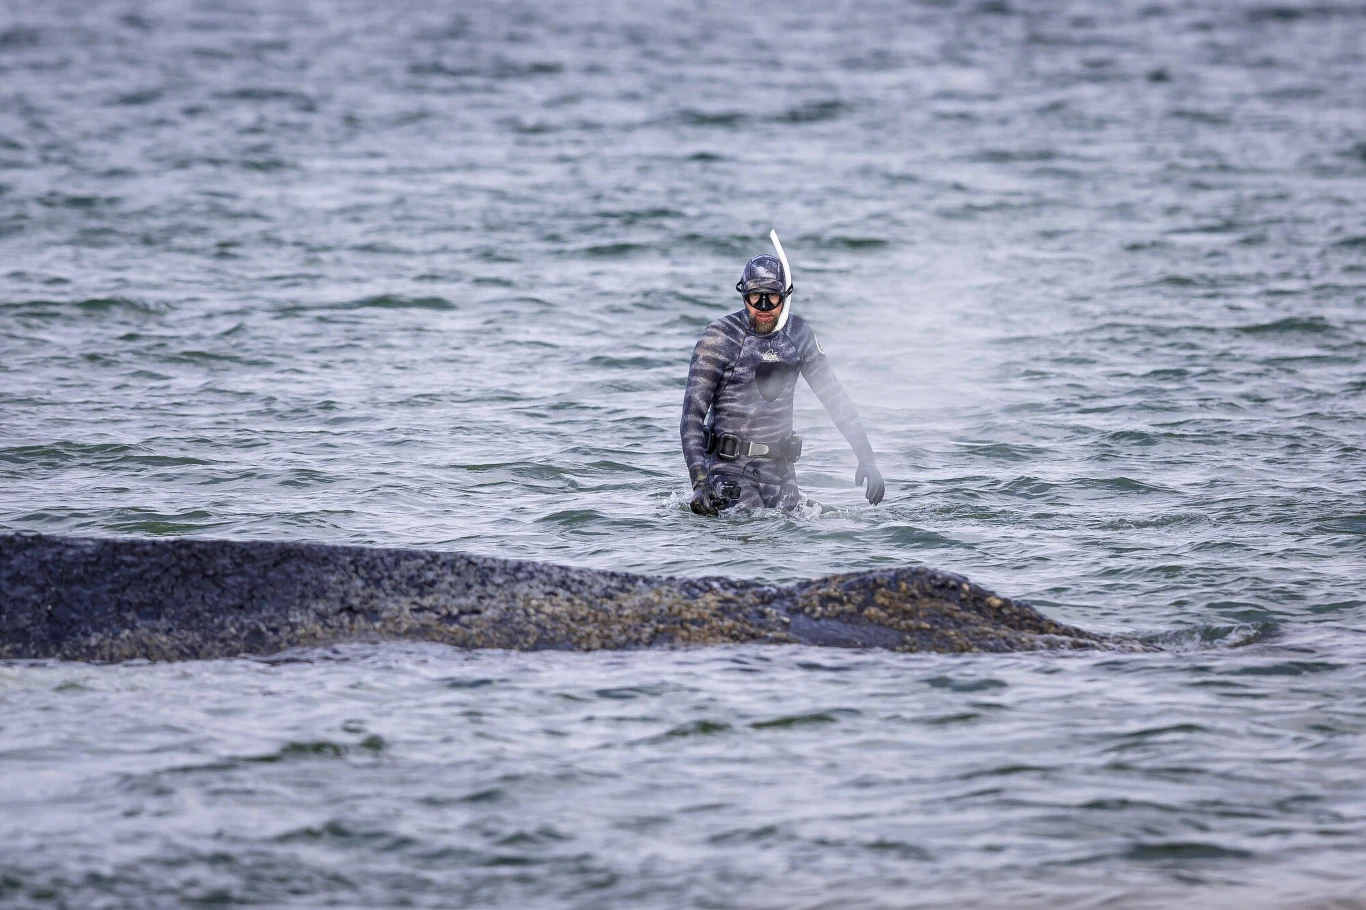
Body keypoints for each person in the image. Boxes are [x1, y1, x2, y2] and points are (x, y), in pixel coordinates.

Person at [681, 251, 886, 515]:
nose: (764, 307)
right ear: (743, 294)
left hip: (781, 475)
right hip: (728, 473)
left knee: (838, 523)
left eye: (772, 297)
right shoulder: (719, 338)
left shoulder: (798, 335)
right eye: (756, 296)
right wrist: (700, 483)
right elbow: (691, 417)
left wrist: (867, 459)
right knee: (751, 533)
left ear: (786, 295)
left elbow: (836, 400)